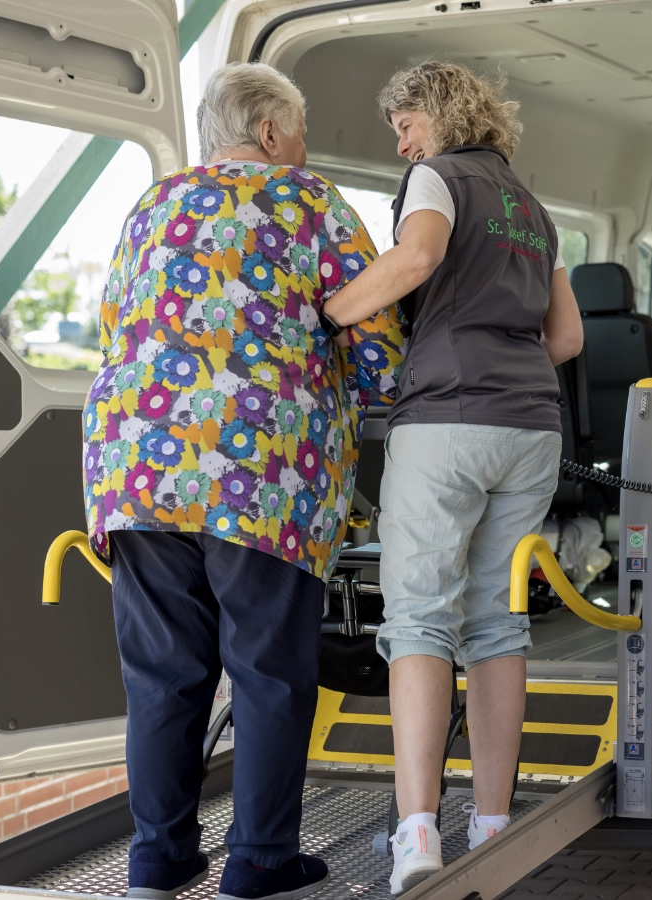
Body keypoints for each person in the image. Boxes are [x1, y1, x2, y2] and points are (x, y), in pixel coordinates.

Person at [82, 62, 405, 900]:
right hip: (258, 475)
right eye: (296, 133)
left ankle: (158, 858)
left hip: (138, 468)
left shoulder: (152, 204)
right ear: (271, 134)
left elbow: (115, 326)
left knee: (161, 674)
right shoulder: (310, 202)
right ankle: (260, 859)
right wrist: (392, 393)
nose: (302, 148)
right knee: (265, 670)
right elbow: (374, 330)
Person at [322, 61, 584, 894]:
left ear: (437, 113)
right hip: (532, 427)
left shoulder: (434, 178)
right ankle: (497, 821)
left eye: (405, 123)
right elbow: (568, 337)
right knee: (498, 625)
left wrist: (332, 314)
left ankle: (418, 831)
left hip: (446, 420)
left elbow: (416, 257)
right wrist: (505, 365)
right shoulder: (533, 207)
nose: (400, 142)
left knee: (422, 623)